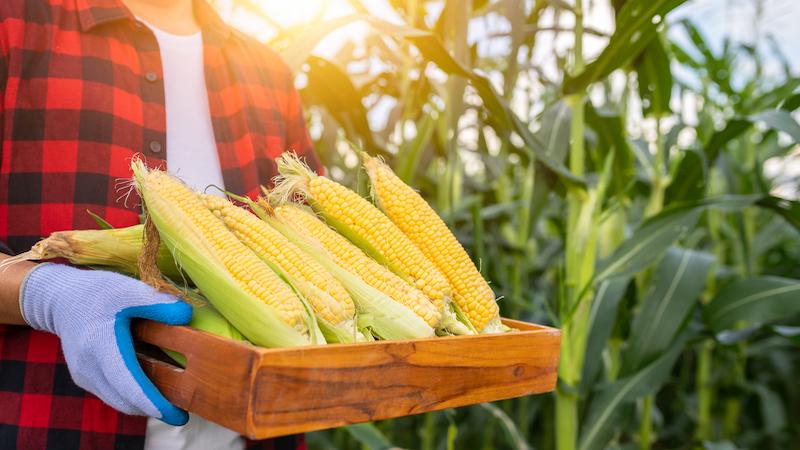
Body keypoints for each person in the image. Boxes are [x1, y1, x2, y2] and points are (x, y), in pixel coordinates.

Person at [0, 0, 321, 448]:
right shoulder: (16, 24)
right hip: (50, 428)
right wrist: (45, 296)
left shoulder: (267, 71)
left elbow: (317, 244)